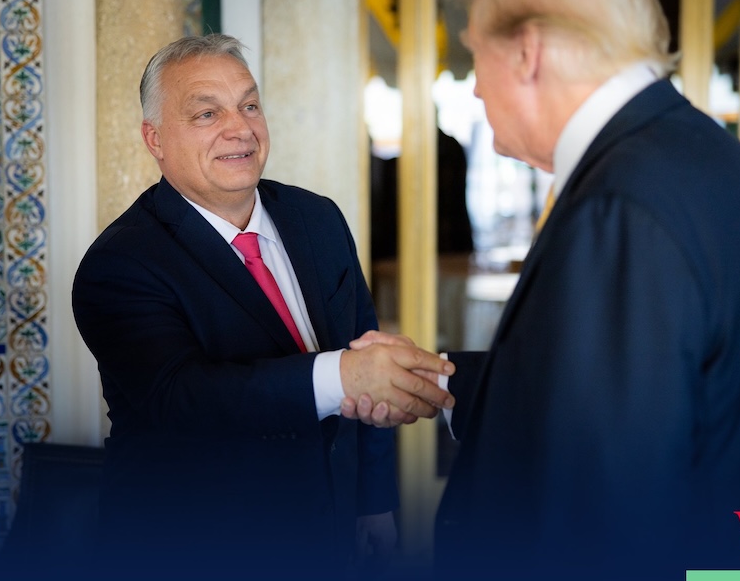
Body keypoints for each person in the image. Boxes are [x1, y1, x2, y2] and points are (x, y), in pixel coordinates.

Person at [343, 0, 740, 577]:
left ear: (527, 52)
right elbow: (639, 396)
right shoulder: (714, 161)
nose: (476, 88)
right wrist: (444, 379)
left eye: (476, 52)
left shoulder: (620, 207)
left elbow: (602, 514)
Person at [71, 34, 453, 578]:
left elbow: (363, 347)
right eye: (207, 113)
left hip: (332, 530)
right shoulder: (121, 263)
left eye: (249, 105)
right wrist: (343, 376)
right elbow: (184, 398)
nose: (240, 128)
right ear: (154, 139)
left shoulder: (318, 218)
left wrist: (373, 502)